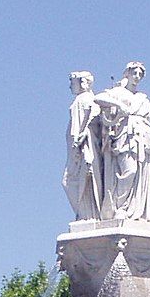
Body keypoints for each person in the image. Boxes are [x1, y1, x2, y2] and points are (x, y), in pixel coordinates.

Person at [93, 62, 150, 221]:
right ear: (127, 73)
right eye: (135, 73)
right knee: (129, 171)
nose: (137, 77)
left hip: (143, 138)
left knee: (140, 175)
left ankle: (134, 210)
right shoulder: (118, 92)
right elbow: (98, 98)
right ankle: (119, 207)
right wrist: (118, 104)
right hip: (125, 135)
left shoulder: (142, 98)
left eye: (140, 74)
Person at [61, 71, 103, 220]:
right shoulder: (81, 100)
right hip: (75, 146)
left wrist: (83, 134)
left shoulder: (86, 99)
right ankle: (85, 214)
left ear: (82, 83)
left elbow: (94, 115)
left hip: (83, 145)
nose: (70, 86)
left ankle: (88, 214)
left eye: (73, 83)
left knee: (76, 178)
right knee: (71, 180)